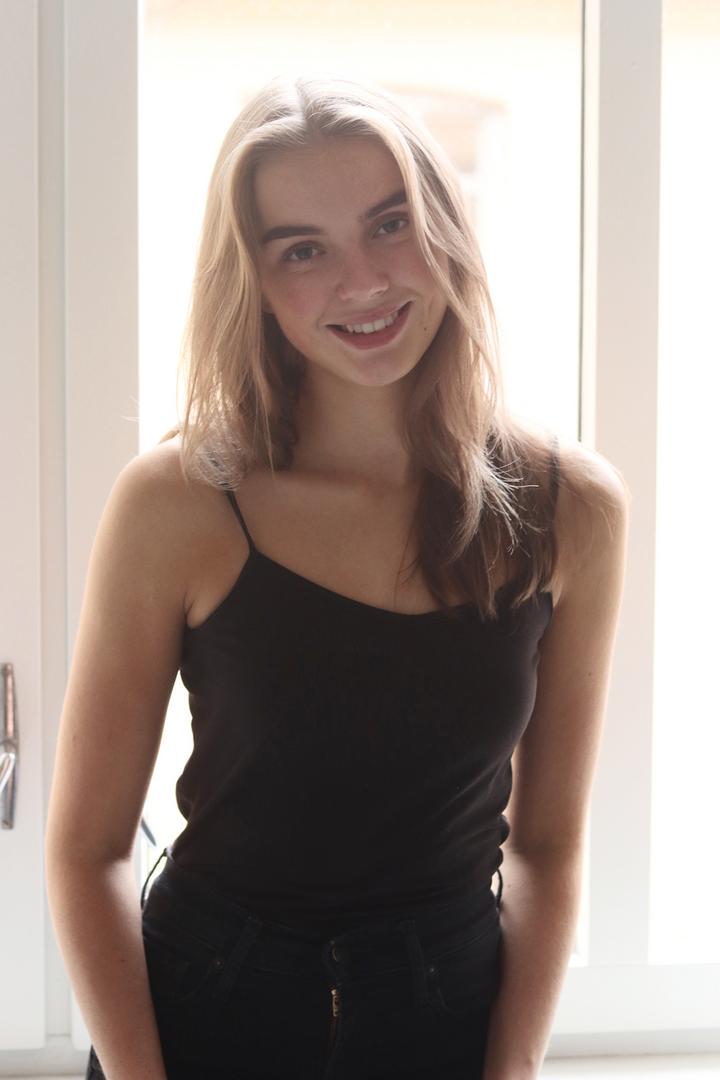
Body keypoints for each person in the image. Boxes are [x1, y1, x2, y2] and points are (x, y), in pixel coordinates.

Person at [44, 73, 629, 1080]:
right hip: (202, 1015)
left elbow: (547, 848)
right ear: (255, 280)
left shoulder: (569, 507)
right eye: (302, 249)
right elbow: (86, 851)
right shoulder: (180, 502)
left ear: (446, 226)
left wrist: (511, 1067)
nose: (363, 281)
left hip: (448, 1019)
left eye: (390, 224)